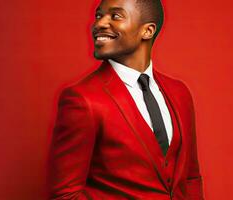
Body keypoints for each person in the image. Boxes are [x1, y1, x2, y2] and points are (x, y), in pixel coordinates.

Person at [46, 0, 204, 199]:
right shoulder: (82, 99)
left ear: (147, 31)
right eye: (98, 16)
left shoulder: (179, 93)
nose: (99, 24)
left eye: (115, 16)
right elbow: (64, 195)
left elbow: (190, 179)